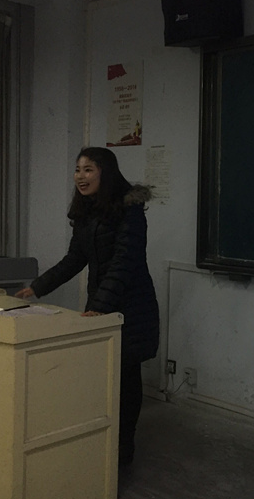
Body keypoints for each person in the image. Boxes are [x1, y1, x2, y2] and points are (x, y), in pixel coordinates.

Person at [16, 146, 159, 467]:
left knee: (126, 376)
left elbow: (123, 264)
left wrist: (99, 307)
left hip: (131, 306)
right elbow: (74, 259)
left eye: (89, 169)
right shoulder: (87, 212)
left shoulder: (130, 211)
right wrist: (38, 287)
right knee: (103, 376)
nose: (81, 177)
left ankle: (123, 451)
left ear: (105, 173)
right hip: (101, 304)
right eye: (78, 170)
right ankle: (102, 442)